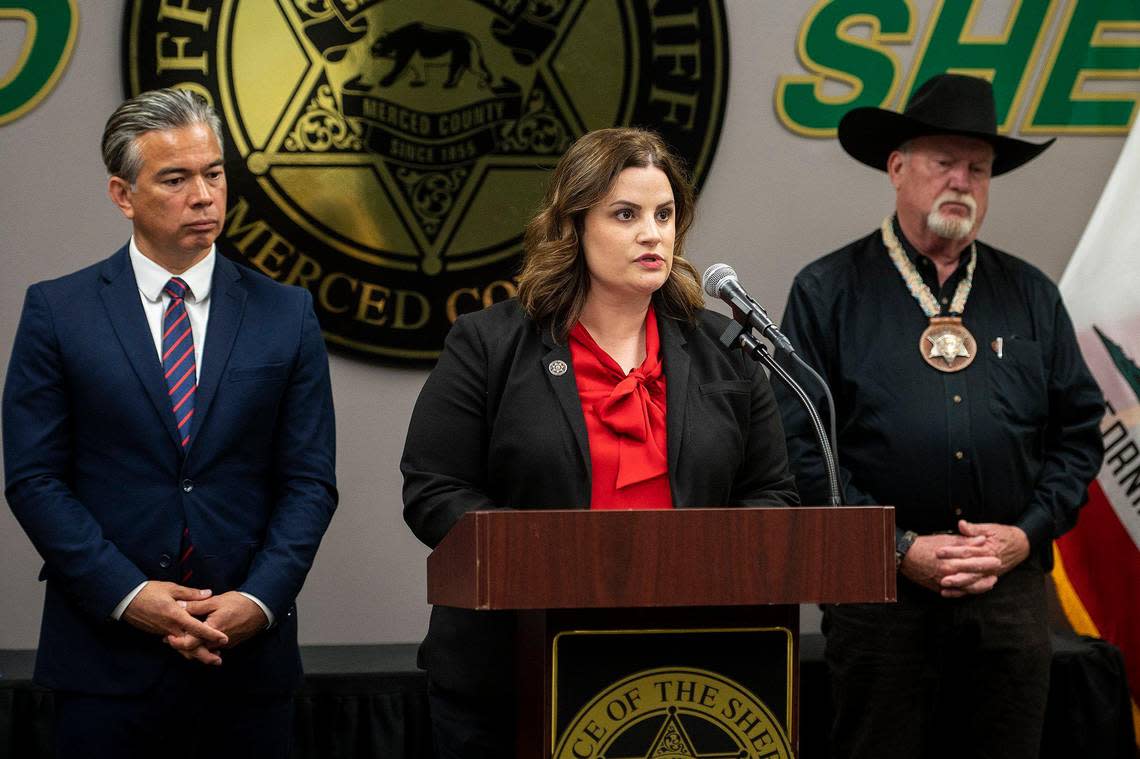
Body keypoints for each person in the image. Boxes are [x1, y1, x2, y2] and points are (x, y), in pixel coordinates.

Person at [401, 127, 799, 756]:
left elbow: (771, 494)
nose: (653, 234)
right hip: (514, 668)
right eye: (626, 214)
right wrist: (552, 560)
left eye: (665, 215)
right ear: (573, 226)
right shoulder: (489, 344)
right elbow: (435, 492)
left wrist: (697, 561)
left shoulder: (726, 350)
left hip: (690, 665)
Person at [775, 74, 1105, 759]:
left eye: (978, 169)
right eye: (943, 163)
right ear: (897, 167)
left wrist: (1025, 533)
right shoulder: (828, 290)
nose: (962, 181)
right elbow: (802, 446)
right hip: (878, 599)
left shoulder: (1030, 295)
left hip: (1009, 595)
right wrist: (898, 548)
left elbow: (1077, 435)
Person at [2, 88, 337, 757]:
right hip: (104, 661)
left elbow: (309, 482)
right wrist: (128, 594)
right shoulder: (58, 311)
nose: (205, 195)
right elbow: (35, 478)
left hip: (246, 659)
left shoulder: (286, 313)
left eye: (214, 173)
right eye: (176, 178)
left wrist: (259, 600)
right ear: (123, 195)